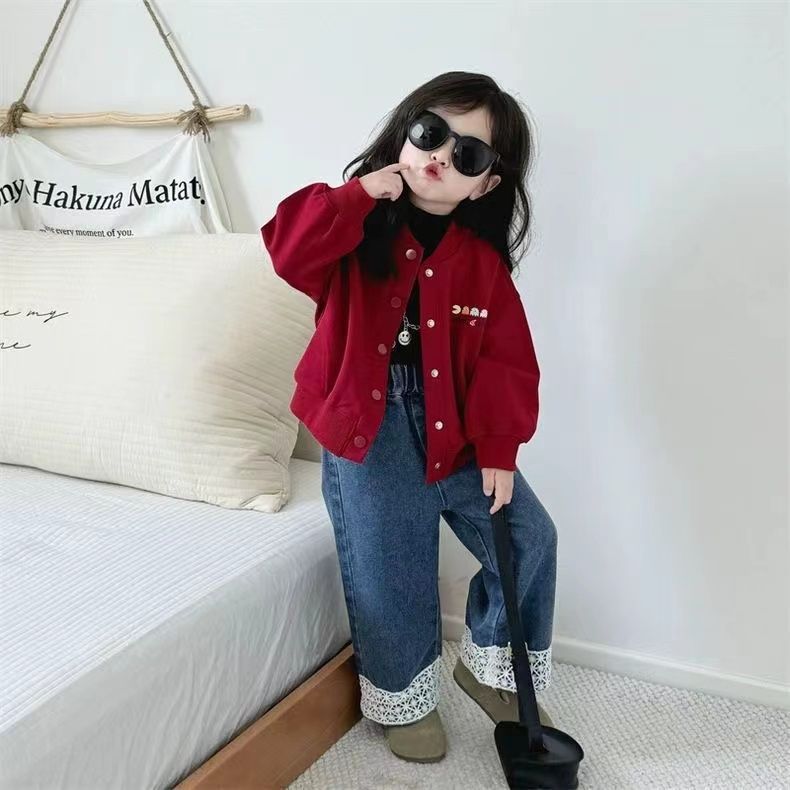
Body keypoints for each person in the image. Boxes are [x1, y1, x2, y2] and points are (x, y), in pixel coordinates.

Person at [261, 71, 558, 763]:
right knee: (389, 567)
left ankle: (492, 672)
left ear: (484, 184)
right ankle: (406, 701)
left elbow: (505, 359)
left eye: (468, 154)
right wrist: (359, 193)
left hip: (460, 431)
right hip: (370, 432)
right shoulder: (350, 228)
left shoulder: (480, 264)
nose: (441, 156)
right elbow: (286, 249)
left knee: (528, 538)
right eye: (431, 133)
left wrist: (499, 447)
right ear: (404, 132)